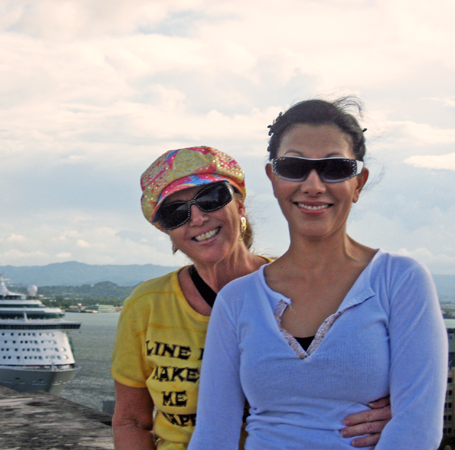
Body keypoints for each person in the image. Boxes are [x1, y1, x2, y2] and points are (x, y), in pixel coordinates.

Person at [188, 99, 448, 450]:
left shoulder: (400, 281)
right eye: (294, 166)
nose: (313, 185)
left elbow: (416, 431)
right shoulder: (237, 300)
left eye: (335, 167)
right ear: (273, 177)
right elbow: (212, 436)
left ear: (358, 182)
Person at [111, 145, 392, 450]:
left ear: (240, 206)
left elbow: (368, 379)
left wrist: (394, 412)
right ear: (167, 232)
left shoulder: (312, 288)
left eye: (210, 198)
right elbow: (131, 420)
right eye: (174, 212)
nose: (197, 218)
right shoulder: (147, 305)